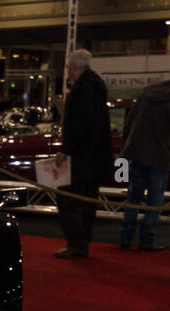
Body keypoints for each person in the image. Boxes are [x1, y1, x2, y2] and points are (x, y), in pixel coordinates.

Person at [119, 73, 170, 251]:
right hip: (160, 156)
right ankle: (147, 240)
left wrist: (125, 150)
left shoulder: (146, 95)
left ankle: (126, 237)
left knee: (133, 198)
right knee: (154, 201)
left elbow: (129, 122)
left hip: (137, 153)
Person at [53, 49, 113, 259]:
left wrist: (65, 150)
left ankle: (76, 243)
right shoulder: (95, 85)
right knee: (87, 203)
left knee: (66, 199)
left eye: (69, 66)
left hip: (82, 156)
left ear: (74, 67)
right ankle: (81, 243)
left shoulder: (84, 89)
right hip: (93, 156)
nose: (68, 70)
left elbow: (81, 124)